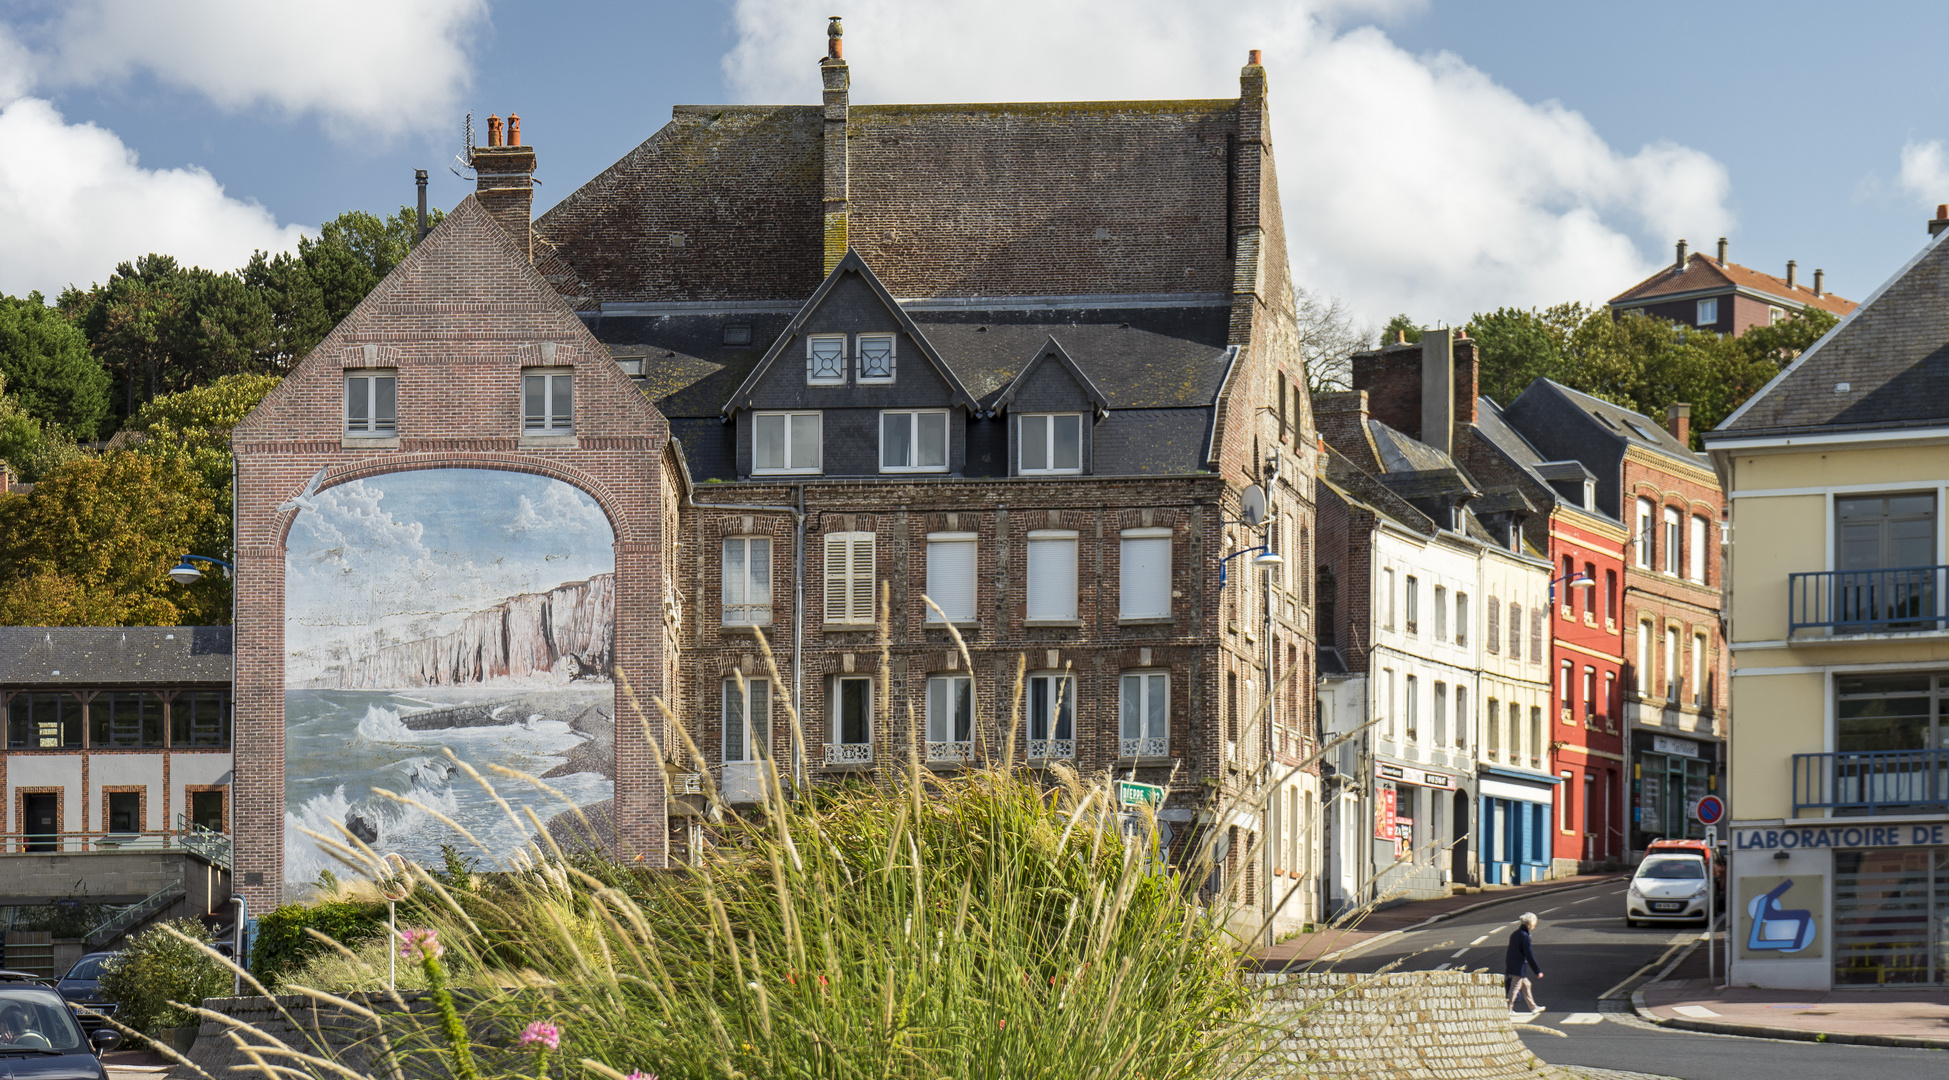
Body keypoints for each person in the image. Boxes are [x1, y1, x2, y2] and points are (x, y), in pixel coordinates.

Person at [1504, 912, 1544, 1012]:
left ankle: (1533, 1007)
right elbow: (1529, 954)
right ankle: (1508, 1009)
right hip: (1518, 966)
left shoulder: (1515, 934)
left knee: (1527, 985)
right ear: (1530, 924)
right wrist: (1537, 970)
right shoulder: (1525, 936)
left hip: (1512, 964)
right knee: (1515, 987)